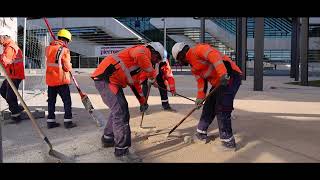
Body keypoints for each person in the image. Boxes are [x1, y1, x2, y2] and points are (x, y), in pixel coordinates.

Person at [91, 42, 164, 162]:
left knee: (118, 109)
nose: (156, 62)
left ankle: (108, 138)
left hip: (111, 81)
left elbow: (135, 84)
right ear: (153, 51)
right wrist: (152, 76)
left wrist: (142, 101)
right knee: (121, 112)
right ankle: (122, 151)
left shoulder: (137, 67)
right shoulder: (143, 50)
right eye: (157, 59)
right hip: (105, 79)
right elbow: (140, 55)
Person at [171, 42, 242, 150]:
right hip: (218, 82)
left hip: (230, 75)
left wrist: (223, 73)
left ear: (181, 55)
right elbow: (201, 83)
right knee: (209, 105)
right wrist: (200, 98)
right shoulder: (193, 67)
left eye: (179, 60)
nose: (180, 62)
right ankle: (201, 133)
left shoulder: (197, 50)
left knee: (222, 108)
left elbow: (214, 55)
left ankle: (228, 142)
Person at [45, 29, 76, 129]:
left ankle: (50, 121)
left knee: (51, 101)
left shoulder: (48, 48)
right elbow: (67, 67)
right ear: (66, 40)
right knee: (67, 101)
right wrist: (70, 66)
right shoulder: (64, 50)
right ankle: (68, 121)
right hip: (61, 80)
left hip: (51, 80)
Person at [0, 28, 25, 124]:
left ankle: (16, 115)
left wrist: (1, 57)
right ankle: (17, 107)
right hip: (11, 74)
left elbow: (6, 62)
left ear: (4, 36)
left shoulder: (10, 47)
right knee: (3, 91)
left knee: (10, 96)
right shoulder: (7, 46)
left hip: (15, 75)